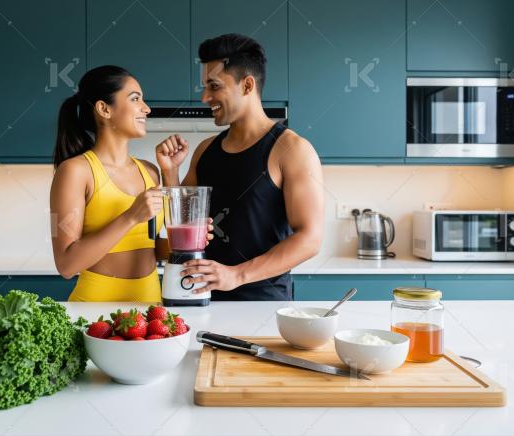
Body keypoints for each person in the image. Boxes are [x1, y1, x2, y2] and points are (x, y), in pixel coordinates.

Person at [156, 34, 324, 301]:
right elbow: (182, 227)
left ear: (247, 85)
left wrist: (236, 275)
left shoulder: (292, 150)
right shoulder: (205, 150)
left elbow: (310, 238)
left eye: (214, 86)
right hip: (202, 299)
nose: (204, 97)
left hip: (262, 306)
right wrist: (170, 173)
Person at [50, 65, 211, 302]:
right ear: (104, 109)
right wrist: (131, 216)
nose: (146, 109)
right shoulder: (74, 171)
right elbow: (66, 265)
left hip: (151, 304)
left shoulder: (150, 171)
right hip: (95, 308)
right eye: (135, 99)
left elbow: (154, 249)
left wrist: (190, 240)